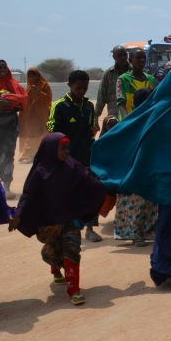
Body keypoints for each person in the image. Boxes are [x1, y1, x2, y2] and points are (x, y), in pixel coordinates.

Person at [91, 66, 171, 290]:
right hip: (167, 178)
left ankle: (161, 268)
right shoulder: (159, 109)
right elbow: (138, 134)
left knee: (169, 223)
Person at [9, 133, 106, 305]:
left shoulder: (73, 166)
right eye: (62, 148)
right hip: (49, 223)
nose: (67, 152)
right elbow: (28, 196)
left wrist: (106, 186)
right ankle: (55, 267)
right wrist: (18, 215)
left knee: (72, 249)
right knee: (51, 253)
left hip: (70, 219)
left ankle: (73, 290)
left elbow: (90, 181)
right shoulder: (40, 173)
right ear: (51, 149)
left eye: (68, 148)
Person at [46, 70, 102, 242]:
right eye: (79, 88)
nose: (82, 91)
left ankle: (90, 229)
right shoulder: (59, 106)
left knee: (91, 192)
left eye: (85, 88)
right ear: (69, 86)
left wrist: (94, 129)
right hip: (66, 160)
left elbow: (92, 127)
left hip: (86, 156)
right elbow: (51, 131)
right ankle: (65, 229)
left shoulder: (89, 106)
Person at [110, 87, 158, 246]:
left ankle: (144, 232)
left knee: (146, 203)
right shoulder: (133, 122)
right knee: (135, 203)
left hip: (146, 169)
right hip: (134, 170)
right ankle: (136, 234)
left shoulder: (150, 119)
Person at [0, 59, 26, 189]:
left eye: (4, 67)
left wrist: (9, 101)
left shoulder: (13, 84)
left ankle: (7, 187)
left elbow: (23, 100)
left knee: (9, 154)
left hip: (10, 124)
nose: (2, 70)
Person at [18, 68, 52, 163]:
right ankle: (29, 155)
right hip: (31, 116)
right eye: (29, 75)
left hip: (41, 115)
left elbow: (49, 98)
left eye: (33, 75)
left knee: (42, 135)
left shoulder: (44, 85)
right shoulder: (28, 86)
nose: (31, 77)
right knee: (32, 135)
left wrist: (39, 92)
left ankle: (37, 155)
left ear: (38, 76)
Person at [116, 49, 157, 119]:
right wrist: (127, 121)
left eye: (144, 58)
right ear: (130, 60)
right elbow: (121, 103)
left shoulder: (151, 79)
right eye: (138, 58)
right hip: (128, 120)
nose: (142, 60)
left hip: (145, 120)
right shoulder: (123, 79)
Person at [95, 45, 130, 120]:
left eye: (124, 54)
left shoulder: (134, 72)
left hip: (132, 116)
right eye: (119, 55)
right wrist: (96, 117)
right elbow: (101, 96)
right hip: (114, 117)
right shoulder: (108, 73)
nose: (123, 57)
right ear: (114, 57)